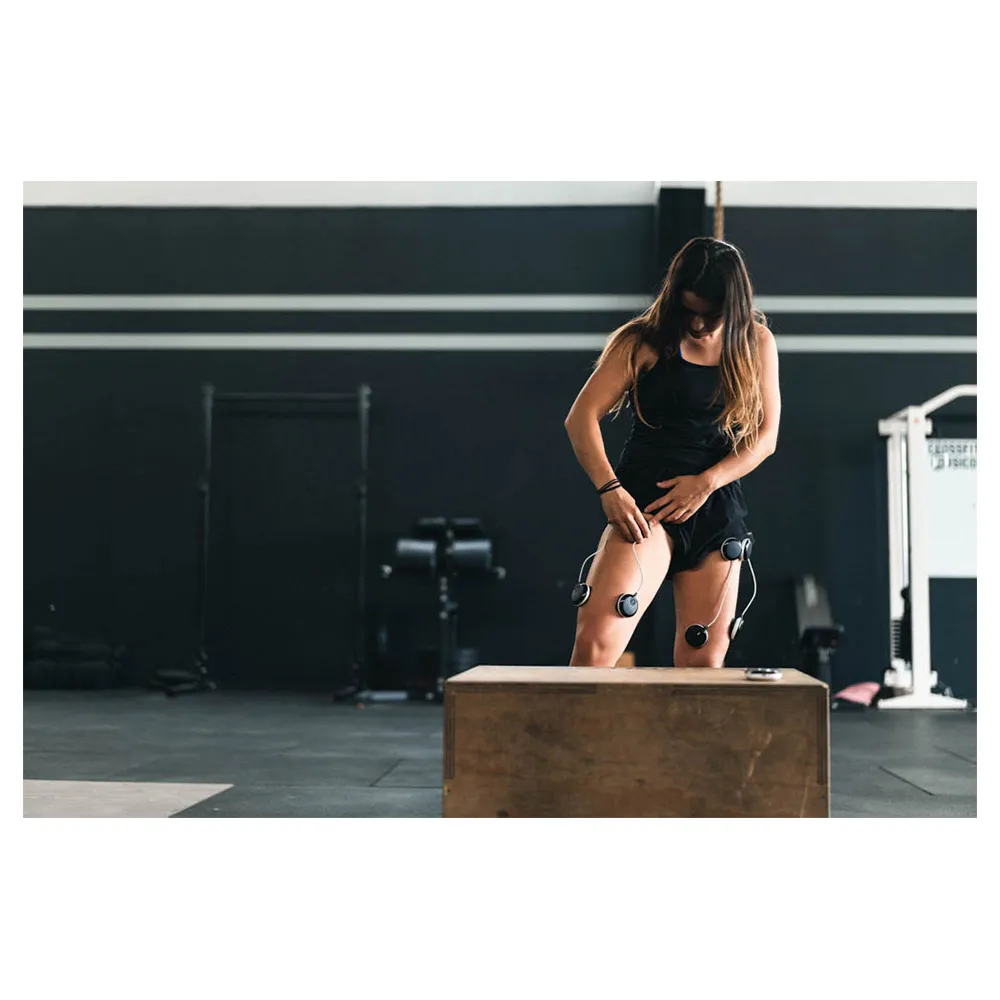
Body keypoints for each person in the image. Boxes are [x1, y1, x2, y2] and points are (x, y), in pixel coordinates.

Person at [563, 237, 781, 668]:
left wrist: (706, 482)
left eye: (710, 315)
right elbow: (580, 418)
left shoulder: (756, 342)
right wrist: (609, 489)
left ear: (734, 306)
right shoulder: (642, 341)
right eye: (688, 311)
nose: (697, 325)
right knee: (595, 645)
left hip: (714, 510)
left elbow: (766, 437)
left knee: (703, 664)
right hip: (645, 506)